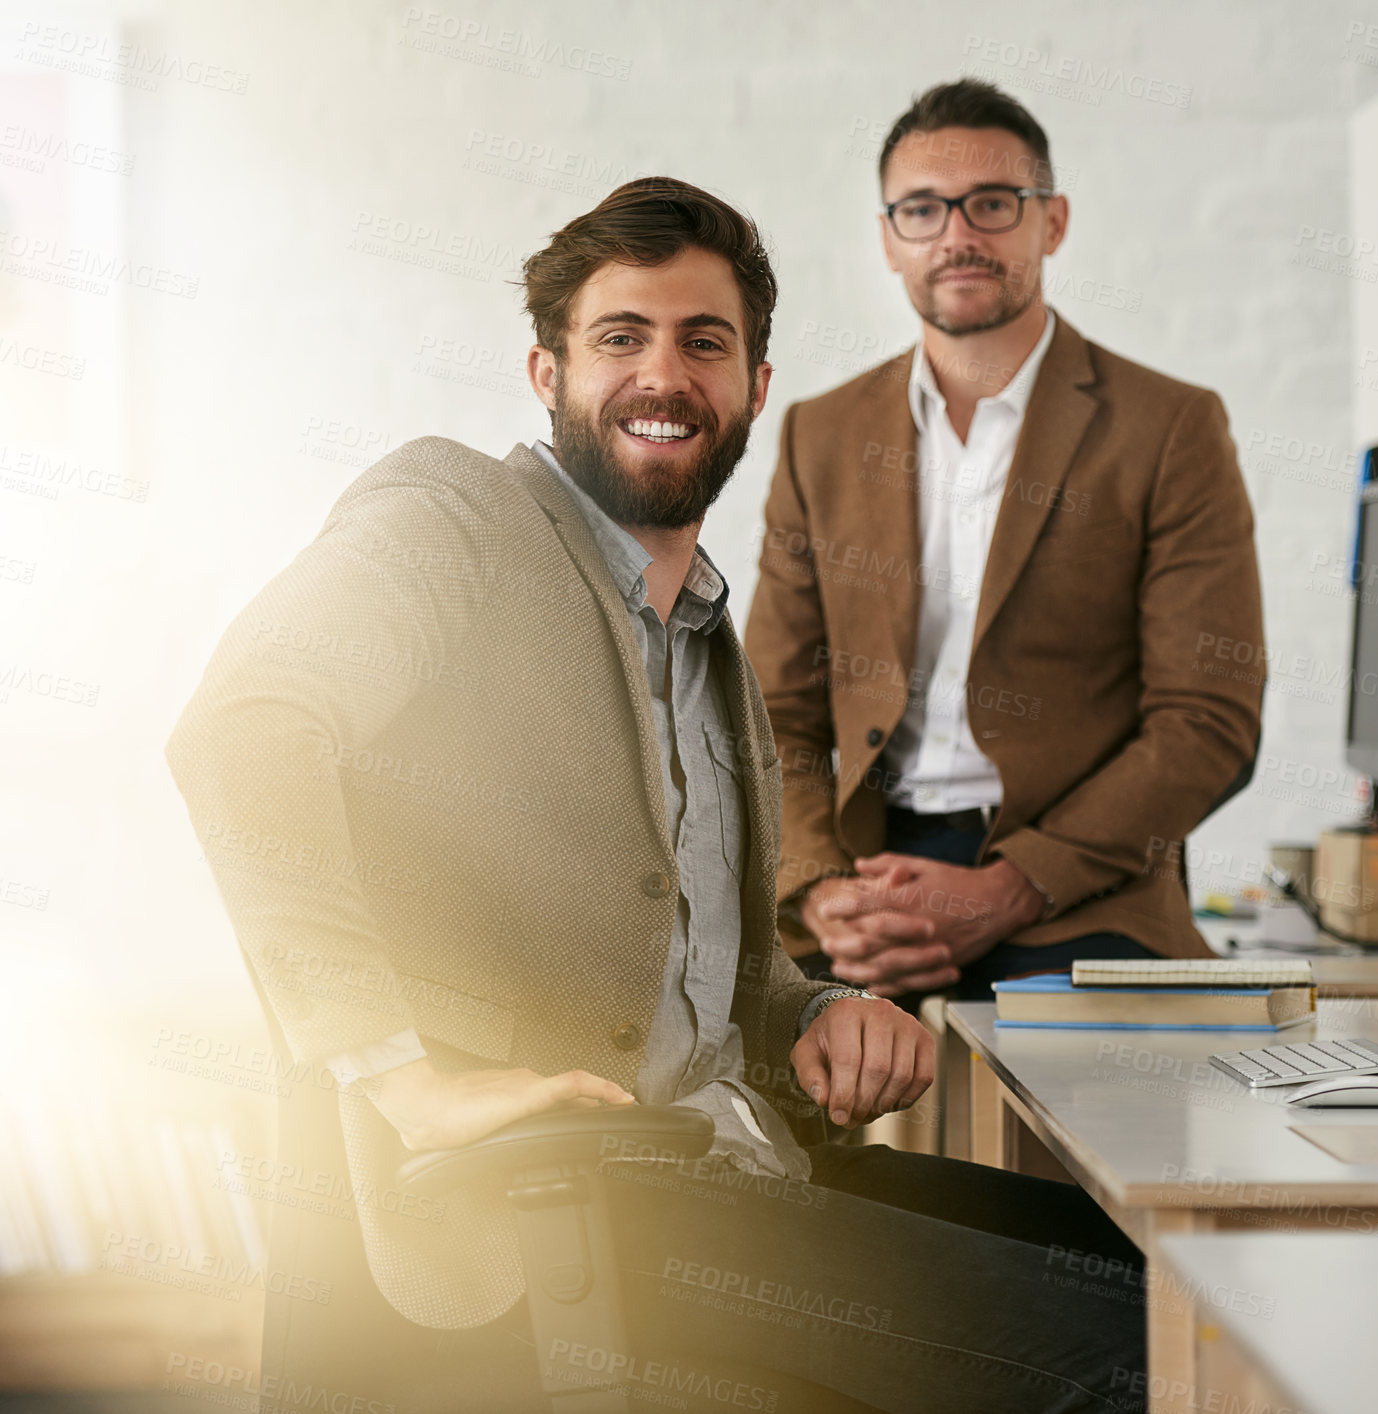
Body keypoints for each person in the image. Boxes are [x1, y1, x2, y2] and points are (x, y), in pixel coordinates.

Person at [167, 176, 1145, 1413]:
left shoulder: (702, 640)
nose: (661, 374)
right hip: (579, 1210)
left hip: (736, 1168)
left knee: (1164, 1279)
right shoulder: (451, 515)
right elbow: (244, 730)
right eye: (618, 338)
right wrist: (407, 1078)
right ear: (545, 373)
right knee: (1136, 1360)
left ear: (754, 386)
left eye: (704, 341)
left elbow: (703, 981)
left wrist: (818, 1014)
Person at [743, 80, 1264, 1009]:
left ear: (1051, 222)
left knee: (1081, 1114)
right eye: (922, 209)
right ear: (888, 236)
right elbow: (771, 711)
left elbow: (1208, 719)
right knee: (749, 1093)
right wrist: (823, 892)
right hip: (868, 872)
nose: (957, 235)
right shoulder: (819, 434)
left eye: (993, 204)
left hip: (1081, 878)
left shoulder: (1170, 426)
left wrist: (1010, 886)